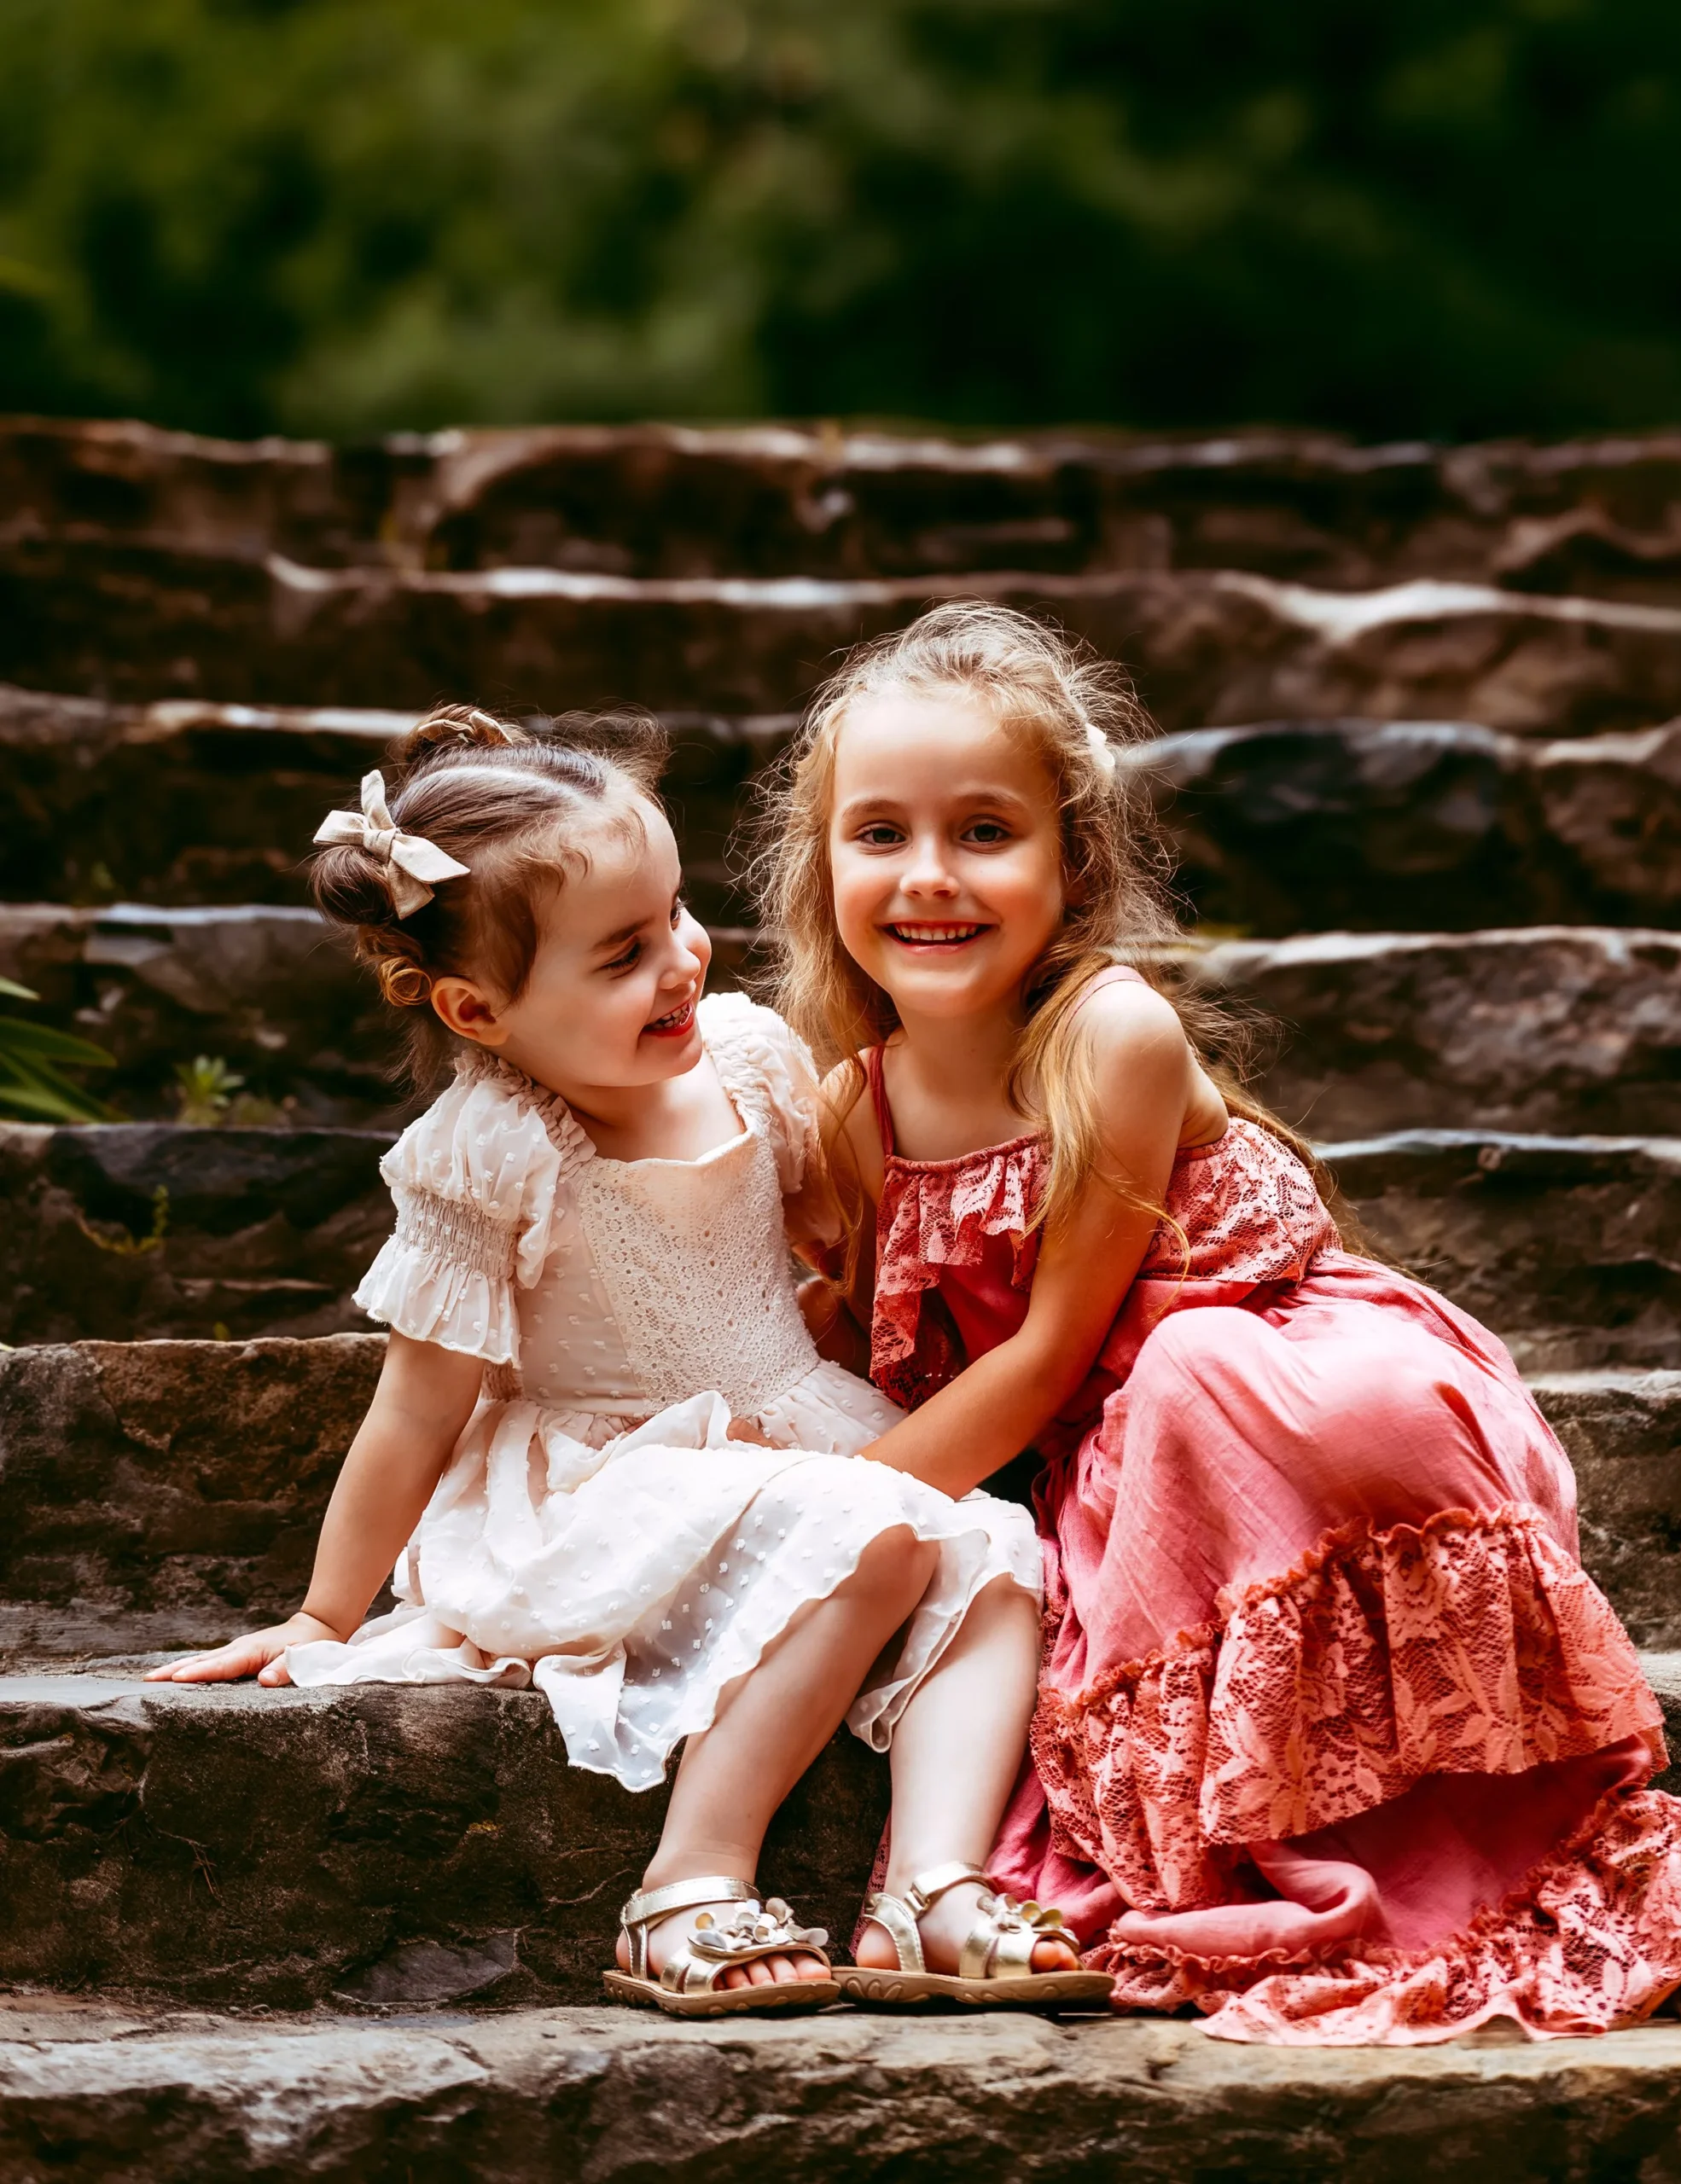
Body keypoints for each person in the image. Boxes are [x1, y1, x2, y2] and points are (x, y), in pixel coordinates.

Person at [755, 598, 1681, 2042]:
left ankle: (1604, 1879)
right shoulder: (849, 1109)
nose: (930, 878)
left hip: (1285, 1376)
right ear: (822, 861)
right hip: (1115, 1459)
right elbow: (853, 1360)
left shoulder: (1109, 1035)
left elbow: (1040, 1360)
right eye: (881, 834)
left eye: (985, 831)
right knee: (1124, 1440)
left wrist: (818, 1520)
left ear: (1071, 860)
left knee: (1197, 1371)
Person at [148, 705, 1108, 2018]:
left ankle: (930, 1888)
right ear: (478, 1007)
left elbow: (824, 1271)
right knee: (880, 1538)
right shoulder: (491, 1151)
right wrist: (325, 1614)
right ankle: (688, 1885)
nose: (680, 964)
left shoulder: (758, 1062)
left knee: (997, 1559)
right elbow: (412, 1412)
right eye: (621, 955)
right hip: (604, 1486)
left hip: (788, 1434)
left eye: (674, 917)